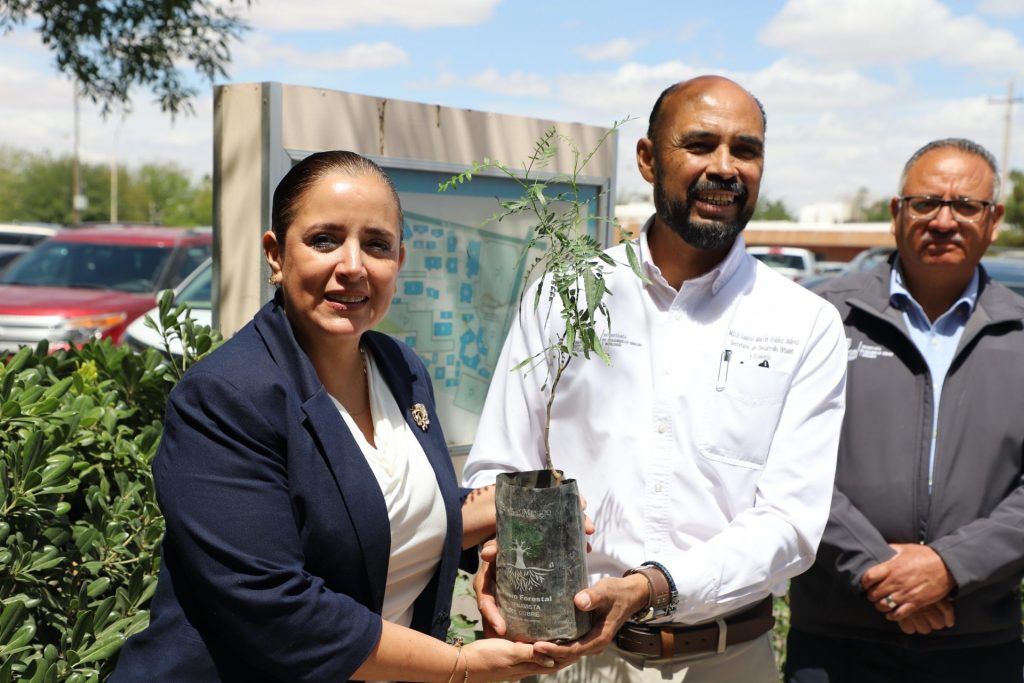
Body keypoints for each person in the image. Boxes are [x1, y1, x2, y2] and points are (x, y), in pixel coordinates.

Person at [111, 151, 575, 682]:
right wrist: (459, 667)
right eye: (325, 240)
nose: (353, 266)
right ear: (276, 256)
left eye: (376, 245)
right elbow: (275, 607)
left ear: (399, 260)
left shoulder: (400, 368)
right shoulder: (224, 398)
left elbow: (383, 513)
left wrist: (522, 516)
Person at [462, 75, 849, 682]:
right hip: (567, 657)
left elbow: (791, 524)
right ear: (647, 159)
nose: (725, 167)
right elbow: (501, 464)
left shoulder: (803, 323)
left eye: (745, 150)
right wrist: (503, 545)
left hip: (725, 662)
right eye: (699, 144)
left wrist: (654, 586)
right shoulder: (564, 295)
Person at [785, 138, 1024, 683]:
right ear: (897, 212)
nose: (944, 221)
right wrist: (874, 566)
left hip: (978, 643)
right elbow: (784, 460)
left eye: (966, 206)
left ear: (993, 220)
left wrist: (950, 567)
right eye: (926, 203)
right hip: (835, 639)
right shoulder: (823, 318)